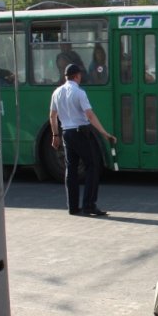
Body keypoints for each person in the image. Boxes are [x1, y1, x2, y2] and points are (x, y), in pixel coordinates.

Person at [49, 64, 117, 216]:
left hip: (66, 132)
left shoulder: (56, 92)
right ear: (77, 76)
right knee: (92, 166)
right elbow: (90, 115)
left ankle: (72, 207)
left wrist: (55, 135)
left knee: (71, 169)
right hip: (81, 133)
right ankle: (89, 205)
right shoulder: (79, 92)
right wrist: (105, 133)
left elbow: (52, 116)